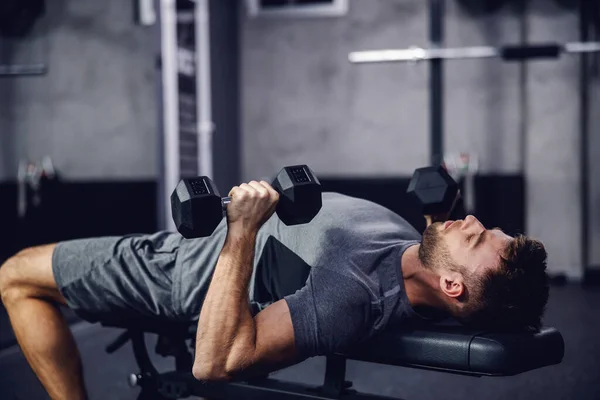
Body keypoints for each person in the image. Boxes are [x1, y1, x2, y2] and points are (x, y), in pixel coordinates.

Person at [0, 180, 549, 400]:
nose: (471, 219)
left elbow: (214, 364)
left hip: (179, 265)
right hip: (207, 245)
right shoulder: (416, 260)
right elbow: (439, 285)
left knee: (16, 276)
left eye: (474, 235)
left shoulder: (350, 295)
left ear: (451, 283)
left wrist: (241, 227)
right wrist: (442, 220)